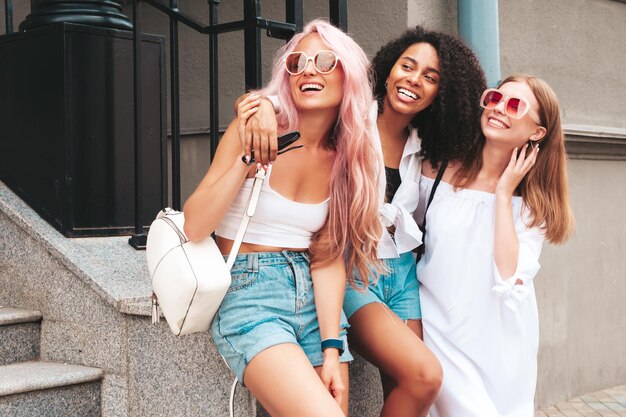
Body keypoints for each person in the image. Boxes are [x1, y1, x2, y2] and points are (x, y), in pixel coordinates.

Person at [240, 26, 487, 417]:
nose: (414, 80)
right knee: (424, 374)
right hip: (353, 268)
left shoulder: (427, 147)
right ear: (387, 69)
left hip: (402, 273)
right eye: (407, 66)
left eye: (430, 77)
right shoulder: (350, 119)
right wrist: (262, 107)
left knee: (412, 390)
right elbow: (293, 101)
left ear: (443, 92)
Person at [183, 19, 384, 417]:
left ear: (349, 76)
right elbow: (194, 225)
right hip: (248, 291)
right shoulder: (252, 129)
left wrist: (331, 348)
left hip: (312, 295)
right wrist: (247, 163)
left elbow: (326, 260)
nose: (309, 69)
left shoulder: (346, 162)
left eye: (325, 61)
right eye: (298, 62)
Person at [416, 75, 575, 417]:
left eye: (515, 105)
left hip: (500, 341)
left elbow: (509, 275)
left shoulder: (533, 205)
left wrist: (503, 194)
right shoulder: (435, 170)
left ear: (537, 132)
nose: (499, 108)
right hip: (439, 328)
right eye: (495, 98)